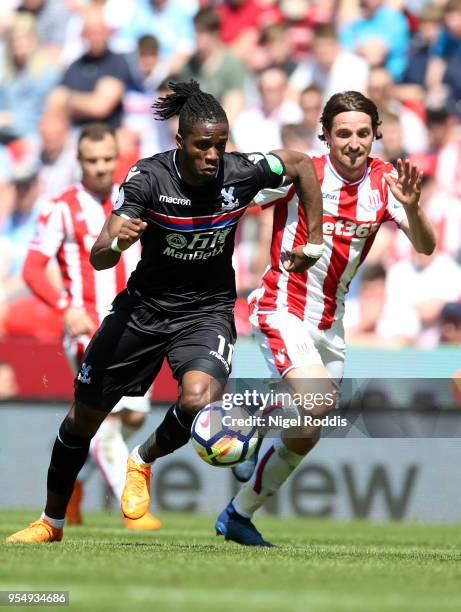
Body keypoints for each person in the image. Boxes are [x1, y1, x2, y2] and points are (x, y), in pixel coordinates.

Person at [6, 80, 323, 544]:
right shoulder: (148, 178)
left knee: (198, 399)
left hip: (207, 311)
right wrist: (117, 242)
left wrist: (313, 239)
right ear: (180, 142)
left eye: (219, 144)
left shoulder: (242, 172)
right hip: (143, 310)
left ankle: (143, 460)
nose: (213, 155)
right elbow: (99, 252)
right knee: (82, 419)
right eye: (202, 146)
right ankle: (50, 522)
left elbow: (299, 165)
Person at [222, 90, 436, 546]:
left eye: (363, 133)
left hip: (330, 322)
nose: (354, 143)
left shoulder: (385, 182)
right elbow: (238, 193)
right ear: (326, 136)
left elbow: (425, 246)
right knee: (318, 402)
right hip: (281, 305)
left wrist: (414, 209)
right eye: (343, 134)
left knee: (309, 429)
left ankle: (238, 514)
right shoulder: (304, 174)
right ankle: (248, 424)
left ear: (375, 135)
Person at [18, 122, 160, 531]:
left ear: (117, 160)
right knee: (104, 417)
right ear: (78, 161)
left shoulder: (133, 200)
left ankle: (75, 485)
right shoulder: (61, 206)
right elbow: (32, 268)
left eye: (107, 160)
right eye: (92, 160)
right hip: (87, 328)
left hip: (135, 324)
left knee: (130, 417)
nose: (100, 168)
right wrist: (65, 308)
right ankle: (132, 510)